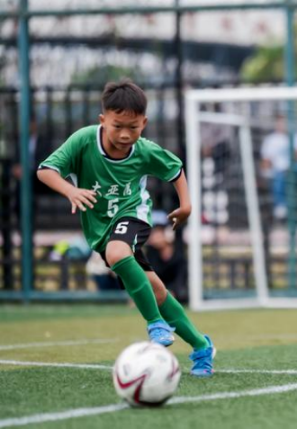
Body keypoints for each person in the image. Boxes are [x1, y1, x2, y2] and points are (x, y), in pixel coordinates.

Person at [37, 79, 215, 377]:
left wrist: (186, 205)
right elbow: (45, 171)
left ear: (144, 123)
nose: (124, 134)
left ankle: (156, 324)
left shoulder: (144, 151)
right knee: (156, 290)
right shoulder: (83, 141)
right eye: (117, 126)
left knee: (118, 253)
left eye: (133, 127)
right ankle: (201, 346)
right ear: (102, 120)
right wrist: (70, 190)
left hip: (134, 215)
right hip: (100, 231)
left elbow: (175, 169)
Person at [261, 113, 297, 220]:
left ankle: (281, 206)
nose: (282, 125)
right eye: (280, 122)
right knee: (279, 176)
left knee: (283, 174)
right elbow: (265, 162)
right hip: (278, 172)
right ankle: (281, 207)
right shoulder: (270, 140)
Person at [145, 210, 188, 304]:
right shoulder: (151, 253)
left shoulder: (179, 254)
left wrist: (172, 292)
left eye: (158, 232)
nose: (154, 236)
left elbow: (181, 281)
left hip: (179, 296)